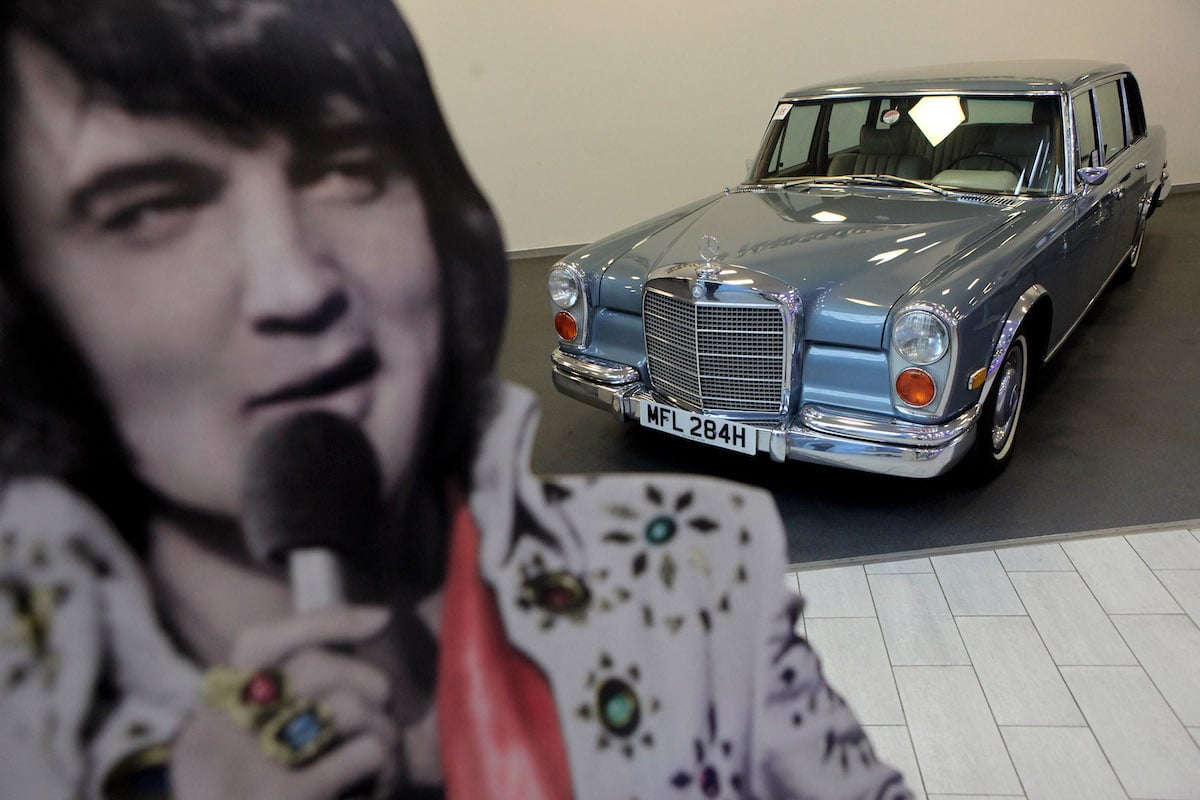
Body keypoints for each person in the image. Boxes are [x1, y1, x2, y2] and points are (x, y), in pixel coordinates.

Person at [0, 1, 913, 798]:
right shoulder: (28, 700)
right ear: (32, 308)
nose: (292, 285)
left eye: (344, 168)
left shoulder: (697, 577)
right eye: (151, 207)